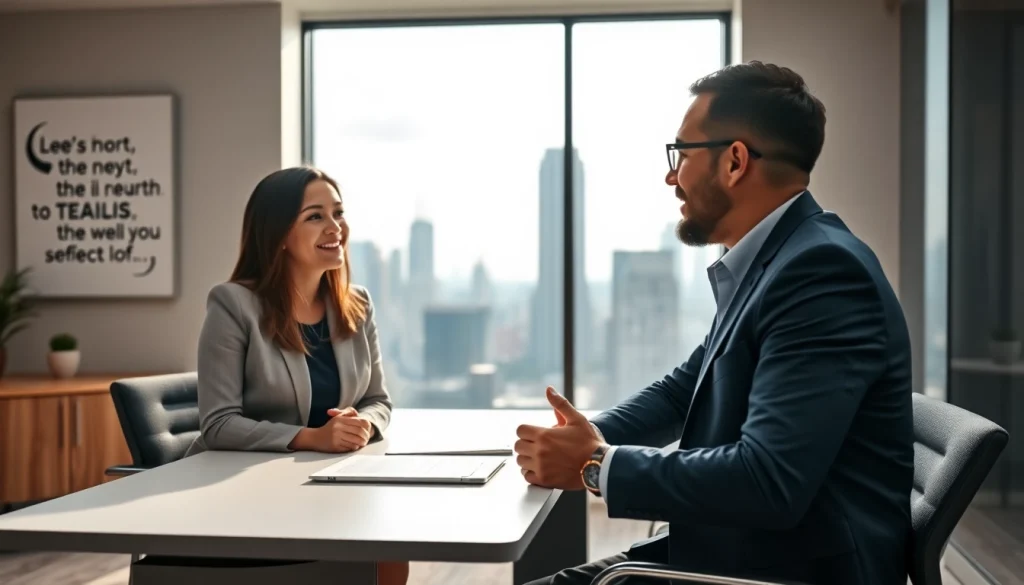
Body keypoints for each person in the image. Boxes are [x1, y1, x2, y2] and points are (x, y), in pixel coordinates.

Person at [514, 61, 914, 585]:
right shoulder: (774, 260)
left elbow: (768, 481)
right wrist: (585, 437)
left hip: (782, 572)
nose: (670, 174)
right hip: (737, 552)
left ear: (734, 161)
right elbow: (685, 391)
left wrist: (596, 465)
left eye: (680, 152)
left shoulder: (821, 273)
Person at [185, 165, 408, 585]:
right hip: (238, 497)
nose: (335, 227)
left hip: (322, 486)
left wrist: (361, 424)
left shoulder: (356, 304)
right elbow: (218, 424)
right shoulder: (234, 305)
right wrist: (312, 437)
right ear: (279, 235)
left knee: (391, 550)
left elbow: (378, 400)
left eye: (338, 213)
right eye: (315, 216)